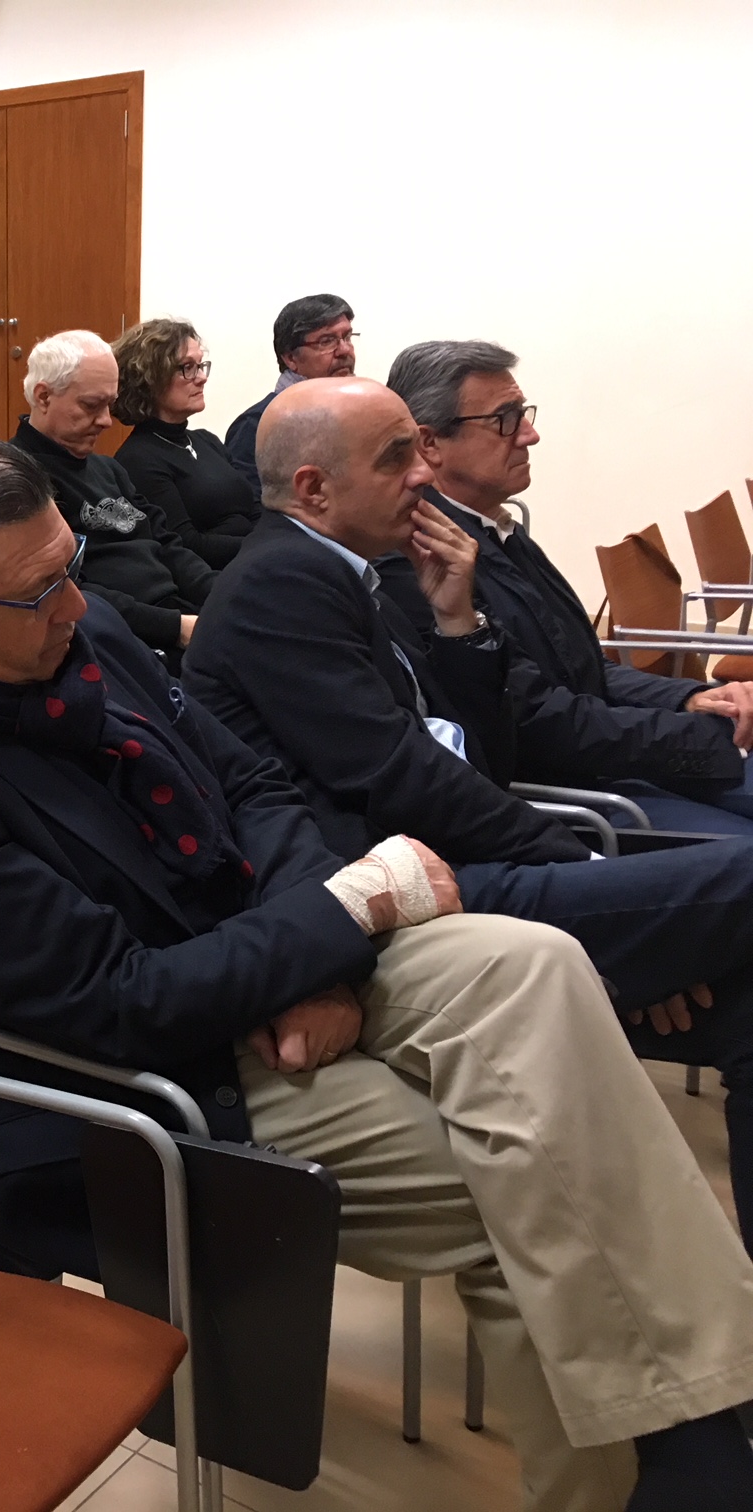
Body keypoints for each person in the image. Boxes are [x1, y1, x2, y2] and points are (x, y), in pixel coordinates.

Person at [0, 435, 753, 1512]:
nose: (76, 604)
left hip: (259, 963)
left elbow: (255, 789)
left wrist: (318, 947)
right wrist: (342, 919)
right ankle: (677, 1461)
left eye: (71, 564)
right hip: (143, 1094)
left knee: (538, 962)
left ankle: (689, 1432)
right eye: (40, 593)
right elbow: (124, 1004)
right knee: (526, 1182)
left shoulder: (85, 641)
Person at [180, 376, 753, 1249]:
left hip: (451, 858)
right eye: (396, 458)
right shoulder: (282, 584)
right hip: (408, 899)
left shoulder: (359, 569)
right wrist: (599, 878)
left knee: (746, 999)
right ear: (314, 489)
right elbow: (405, 779)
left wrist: (456, 620)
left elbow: (482, 753)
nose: (422, 475)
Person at [380, 340, 753, 833]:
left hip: (612, 757)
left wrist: (690, 698)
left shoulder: (495, 528)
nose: (529, 434)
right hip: (572, 798)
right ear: (429, 444)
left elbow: (585, 668)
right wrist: (702, 735)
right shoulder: (419, 560)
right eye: (505, 419)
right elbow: (536, 720)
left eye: (523, 414)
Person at [11, 331, 211, 667]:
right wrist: (176, 627)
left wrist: (221, 596)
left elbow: (168, 545)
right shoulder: (17, 478)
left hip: (177, 616)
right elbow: (67, 589)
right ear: (43, 397)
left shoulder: (109, 469)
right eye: (92, 405)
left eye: (110, 404)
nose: (106, 421)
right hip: (121, 638)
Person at [110, 318, 260, 567]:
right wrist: (263, 547)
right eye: (187, 368)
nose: (201, 378)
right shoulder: (138, 458)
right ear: (150, 378)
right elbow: (186, 545)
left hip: (251, 562)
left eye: (200, 366)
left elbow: (255, 509)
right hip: (211, 577)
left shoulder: (207, 440)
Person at [223, 295, 355, 499]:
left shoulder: (357, 415)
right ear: (291, 358)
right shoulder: (257, 425)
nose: (345, 350)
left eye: (347, 337)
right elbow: (250, 508)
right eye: (327, 341)